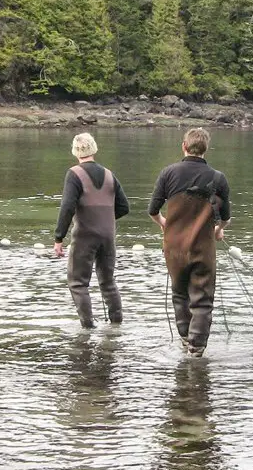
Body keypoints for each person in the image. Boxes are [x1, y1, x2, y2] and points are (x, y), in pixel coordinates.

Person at [148, 128, 230, 356]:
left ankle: (185, 341)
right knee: (202, 301)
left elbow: (153, 210)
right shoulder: (218, 178)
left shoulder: (168, 173)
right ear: (206, 149)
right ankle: (196, 349)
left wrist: (164, 223)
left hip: (174, 248)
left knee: (179, 295)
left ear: (184, 146)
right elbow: (226, 218)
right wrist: (218, 230)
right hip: (203, 249)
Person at [54, 133, 129, 328]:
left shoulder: (74, 174)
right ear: (94, 149)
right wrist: (105, 220)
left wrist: (58, 237)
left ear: (75, 152)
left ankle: (87, 329)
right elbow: (124, 207)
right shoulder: (110, 174)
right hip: (108, 236)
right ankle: (116, 325)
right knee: (108, 282)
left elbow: (67, 207)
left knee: (78, 283)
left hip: (85, 236)